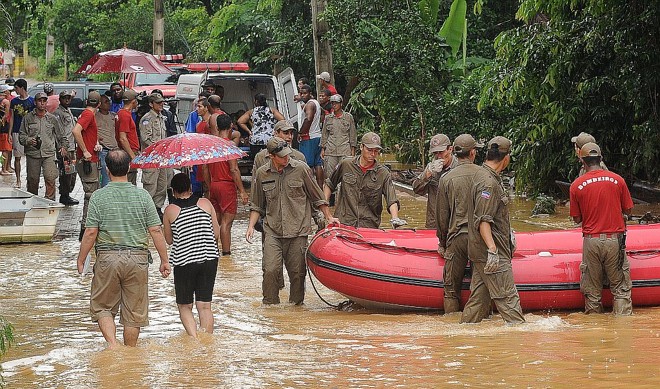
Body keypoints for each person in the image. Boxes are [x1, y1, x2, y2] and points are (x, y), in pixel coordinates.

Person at [76, 149, 170, 348]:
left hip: (107, 259)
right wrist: (164, 260)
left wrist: (81, 258)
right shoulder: (143, 196)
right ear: (129, 168)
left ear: (106, 170)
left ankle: (113, 345)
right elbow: (156, 230)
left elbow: (91, 232)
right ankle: (129, 354)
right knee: (134, 314)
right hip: (138, 259)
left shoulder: (98, 197)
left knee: (102, 307)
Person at [246, 137, 339, 305]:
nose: (286, 158)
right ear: (271, 156)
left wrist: (329, 217)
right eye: (281, 156)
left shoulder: (301, 169)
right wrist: (251, 226)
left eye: (287, 155)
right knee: (270, 270)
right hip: (273, 231)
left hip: (298, 231)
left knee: (297, 274)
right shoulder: (262, 174)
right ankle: (270, 307)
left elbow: (318, 197)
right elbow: (257, 204)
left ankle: (296, 307)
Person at [460, 136, 525, 324]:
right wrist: (493, 250)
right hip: (491, 253)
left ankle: (460, 339)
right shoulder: (488, 182)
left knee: (478, 302)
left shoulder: (482, 175)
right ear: (506, 158)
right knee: (509, 301)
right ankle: (519, 341)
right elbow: (483, 221)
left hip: (480, 251)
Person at [569, 142, 633, 315]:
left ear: (582, 161)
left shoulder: (576, 185)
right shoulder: (617, 180)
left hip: (591, 242)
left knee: (592, 293)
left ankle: (594, 334)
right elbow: (628, 209)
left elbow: (576, 219)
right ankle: (622, 330)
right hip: (614, 241)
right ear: (601, 158)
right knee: (620, 289)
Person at [163, 173, 220, 337]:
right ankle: (207, 339)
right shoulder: (205, 203)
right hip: (209, 259)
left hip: (184, 261)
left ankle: (194, 339)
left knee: (185, 306)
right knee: (204, 305)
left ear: (173, 191)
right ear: (190, 187)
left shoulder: (170, 210)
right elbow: (216, 233)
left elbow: (168, 240)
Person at [252, 120, 306, 290]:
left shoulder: (300, 159)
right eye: (285, 133)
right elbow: (257, 189)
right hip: (271, 219)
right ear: (275, 134)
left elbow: (308, 191)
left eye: (291, 133)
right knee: (270, 267)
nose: (289, 137)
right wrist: (256, 220)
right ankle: (274, 291)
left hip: (294, 220)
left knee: (297, 269)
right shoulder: (261, 158)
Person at [436, 134, 483, 313]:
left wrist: (442, 242)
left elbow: (442, 217)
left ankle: (452, 331)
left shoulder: (446, 179)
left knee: (450, 291)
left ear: (455, 153)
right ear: (473, 153)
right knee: (480, 290)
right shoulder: (484, 175)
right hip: (479, 237)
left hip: (456, 239)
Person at [324, 132, 406, 229]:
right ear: (361, 147)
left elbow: (392, 200)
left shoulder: (383, 173)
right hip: (344, 223)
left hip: (369, 226)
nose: (372, 154)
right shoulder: (346, 164)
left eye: (376, 151)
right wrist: (327, 214)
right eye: (369, 150)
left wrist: (395, 218)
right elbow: (329, 185)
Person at [204, 114, 249, 255]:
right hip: (226, 187)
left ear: (216, 127)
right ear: (231, 126)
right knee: (226, 223)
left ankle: (212, 251)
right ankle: (226, 253)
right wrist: (242, 190)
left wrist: (209, 186)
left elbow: (205, 168)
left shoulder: (210, 146)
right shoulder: (230, 146)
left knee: (215, 222)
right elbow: (234, 169)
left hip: (214, 185)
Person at [18, 92, 68, 200]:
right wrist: (29, 140)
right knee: (32, 180)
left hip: (49, 153)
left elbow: (61, 135)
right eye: (40, 100)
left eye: (44, 100)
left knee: (50, 178)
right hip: (33, 154)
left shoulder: (52, 118)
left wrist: (63, 147)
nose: (42, 103)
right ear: (35, 102)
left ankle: (50, 202)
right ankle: (33, 202)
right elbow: (21, 136)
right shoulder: (28, 118)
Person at [73, 91, 102, 240]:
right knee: (90, 195)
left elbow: (85, 134)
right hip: (87, 161)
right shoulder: (88, 115)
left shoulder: (88, 115)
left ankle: (89, 228)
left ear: (86, 102)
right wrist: (85, 151)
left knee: (93, 194)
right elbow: (76, 131)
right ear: (99, 104)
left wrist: (95, 145)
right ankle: (85, 231)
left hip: (90, 158)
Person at [412, 134, 457, 229]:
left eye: (441, 152)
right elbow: (416, 189)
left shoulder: (459, 168)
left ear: (450, 149)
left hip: (453, 225)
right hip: (434, 224)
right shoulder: (431, 167)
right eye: (435, 153)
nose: (438, 156)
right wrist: (428, 174)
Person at [139, 93, 170, 217]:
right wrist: (158, 148)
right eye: (158, 102)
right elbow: (146, 138)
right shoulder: (147, 119)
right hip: (151, 158)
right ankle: (147, 212)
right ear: (151, 104)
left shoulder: (161, 118)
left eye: (162, 102)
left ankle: (157, 208)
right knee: (150, 185)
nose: (161, 104)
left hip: (161, 159)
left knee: (162, 186)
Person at [237, 93, 285, 159]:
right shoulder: (272, 110)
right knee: (271, 160)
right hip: (270, 139)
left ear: (256, 101)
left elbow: (240, 121)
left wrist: (249, 131)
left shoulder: (252, 112)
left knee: (258, 160)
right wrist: (276, 130)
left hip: (256, 140)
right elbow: (282, 120)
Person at [321, 94, 356, 180]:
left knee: (345, 174)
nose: (334, 105)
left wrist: (353, 151)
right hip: (330, 150)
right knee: (329, 175)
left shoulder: (348, 117)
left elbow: (352, 134)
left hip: (344, 150)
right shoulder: (328, 118)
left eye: (336, 103)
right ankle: (330, 193)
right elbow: (324, 134)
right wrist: (322, 149)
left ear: (341, 104)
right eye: (332, 103)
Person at [53, 90, 79, 205]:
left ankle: (67, 193)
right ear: (60, 99)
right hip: (65, 148)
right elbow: (58, 132)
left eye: (69, 98)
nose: (67, 100)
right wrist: (62, 147)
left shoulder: (68, 110)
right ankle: (64, 195)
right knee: (66, 173)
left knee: (71, 173)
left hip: (72, 146)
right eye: (65, 98)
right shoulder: (58, 113)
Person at [9, 78, 35, 188]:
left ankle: (31, 179)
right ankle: (18, 180)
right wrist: (10, 133)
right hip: (16, 131)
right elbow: (12, 118)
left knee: (31, 157)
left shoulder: (32, 101)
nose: (15, 90)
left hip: (29, 133)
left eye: (16, 88)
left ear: (22, 88)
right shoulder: (14, 102)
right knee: (17, 157)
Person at [297, 84, 324, 187]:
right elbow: (322, 116)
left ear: (310, 94)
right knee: (318, 164)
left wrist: (300, 133)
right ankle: (320, 188)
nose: (303, 95)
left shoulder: (309, 105)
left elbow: (308, 119)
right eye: (301, 93)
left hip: (309, 138)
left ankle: (310, 188)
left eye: (305, 93)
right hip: (317, 136)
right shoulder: (316, 103)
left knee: (306, 165)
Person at [115, 89, 140, 185]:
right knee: (130, 181)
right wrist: (132, 155)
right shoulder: (125, 115)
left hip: (127, 151)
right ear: (133, 101)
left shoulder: (121, 113)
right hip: (128, 152)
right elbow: (122, 138)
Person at [96, 94, 118, 188]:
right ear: (99, 104)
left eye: (109, 101)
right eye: (106, 102)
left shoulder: (114, 116)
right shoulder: (95, 116)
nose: (109, 103)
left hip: (115, 150)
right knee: (105, 177)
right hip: (103, 150)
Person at [0, 84, 12, 175]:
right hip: (3, 128)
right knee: (5, 150)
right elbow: (6, 116)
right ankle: (4, 169)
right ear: (4, 92)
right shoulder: (6, 102)